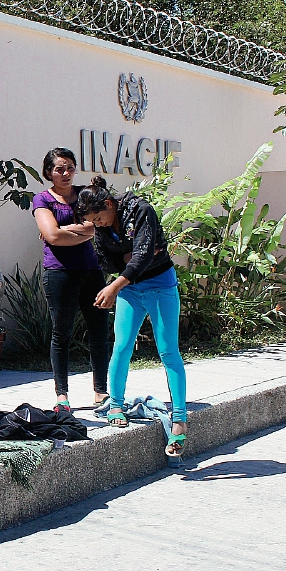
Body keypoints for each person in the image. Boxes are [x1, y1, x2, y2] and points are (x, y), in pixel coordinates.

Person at [75, 175, 188, 465]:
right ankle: (115, 405)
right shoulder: (101, 226)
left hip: (161, 286)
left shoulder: (140, 210)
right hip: (131, 290)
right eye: (94, 222)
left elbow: (143, 254)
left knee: (167, 350)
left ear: (109, 203)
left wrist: (119, 279)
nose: (98, 225)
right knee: (122, 347)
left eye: (99, 217)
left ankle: (179, 420)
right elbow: (108, 260)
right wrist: (131, 260)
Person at [31, 147, 110, 412]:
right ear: (48, 173)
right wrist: (73, 231)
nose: (65, 174)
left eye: (70, 168)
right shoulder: (42, 199)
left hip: (91, 270)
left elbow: (95, 225)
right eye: (59, 169)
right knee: (61, 334)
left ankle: (101, 392)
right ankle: (62, 396)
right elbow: (52, 237)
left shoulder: (85, 195)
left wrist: (63, 229)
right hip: (59, 272)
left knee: (99, 330)